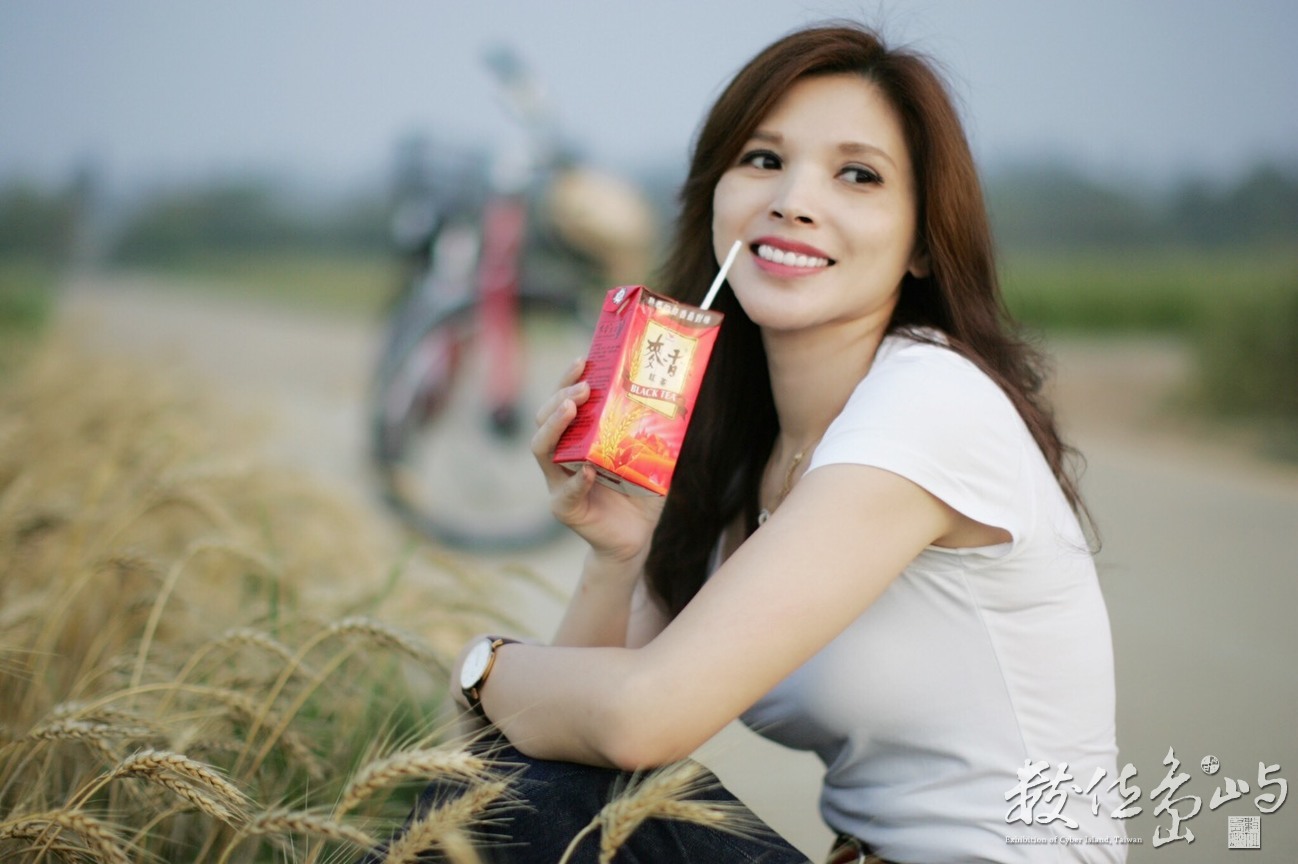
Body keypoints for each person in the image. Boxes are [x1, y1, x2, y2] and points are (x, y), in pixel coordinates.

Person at [379, 22, 1126, 864]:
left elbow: (636, 717)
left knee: (521, 803)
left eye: (858, 175)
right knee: (521, 797)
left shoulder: (932, 401)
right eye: (764, 160)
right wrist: (614, 559)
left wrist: (478, 668)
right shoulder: (738, 453)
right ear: (715, 196)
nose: (794, 200)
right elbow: (566, 739)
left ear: (921, 241)